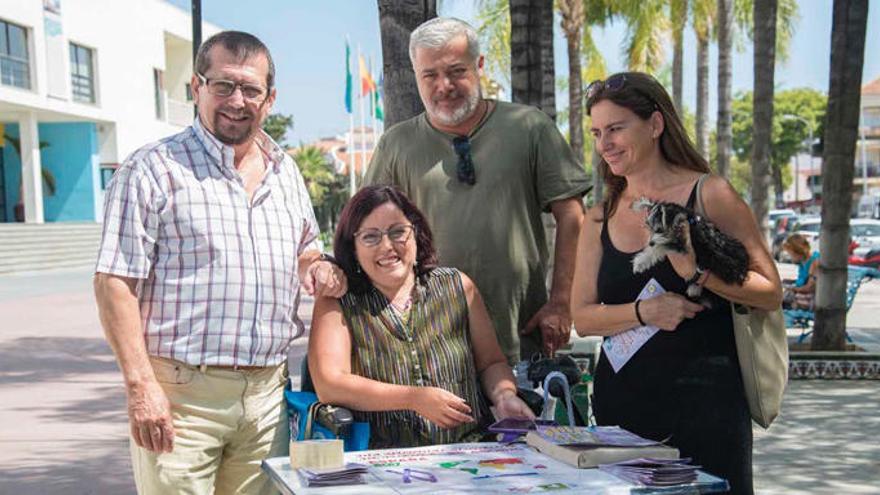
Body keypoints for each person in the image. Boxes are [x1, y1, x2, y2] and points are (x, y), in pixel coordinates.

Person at [93, 31, 346, 495]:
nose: (237, 100)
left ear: (269, 99)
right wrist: (140, 387)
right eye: (223, 85)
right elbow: (115, 283)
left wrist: (317, 267)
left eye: (250, 89)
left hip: (268, 399)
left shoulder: (285, 171)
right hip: (181, 396)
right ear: (196, 88)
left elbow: (305, 248)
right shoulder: (152, 168)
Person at [570, 72, 783, 495]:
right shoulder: (599, 216)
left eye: (616, 128)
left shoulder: (710, 194)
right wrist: (643, 312)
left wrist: (698, 273)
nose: (604, 144)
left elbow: (771, 290)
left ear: (655, 124)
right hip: (622, 410)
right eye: (597, 132)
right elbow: (583, 318)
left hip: (708, 408)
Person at [364, 17, 590, 364]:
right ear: (416, 75)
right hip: (427, 348)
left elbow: (573, 216)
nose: (445, 85)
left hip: (521, 339)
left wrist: (561, 301)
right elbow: (366, 231)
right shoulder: (396, 144)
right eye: (430, 75)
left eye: (457, 71)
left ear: (479, 65)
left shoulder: (530, 128)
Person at [308, 185, 535, 449]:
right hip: (381, 461)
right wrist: (413, 398)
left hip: (469, 452)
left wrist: (504, 395)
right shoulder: (338, 302)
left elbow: (491, 364)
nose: (387, 246)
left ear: (416, 234)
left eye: (398, 232)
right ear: (353, 248)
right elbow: (330, 384)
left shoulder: (458, 287)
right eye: (371, 237)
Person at [781, 233, 818, 309]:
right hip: (804, 295)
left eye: (790, 253)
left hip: (812, 298)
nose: (790, 257)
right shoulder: (803, 262)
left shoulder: (814, 262)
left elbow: (810, 287)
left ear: (797, 251)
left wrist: (792, 288)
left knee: (778, 300)